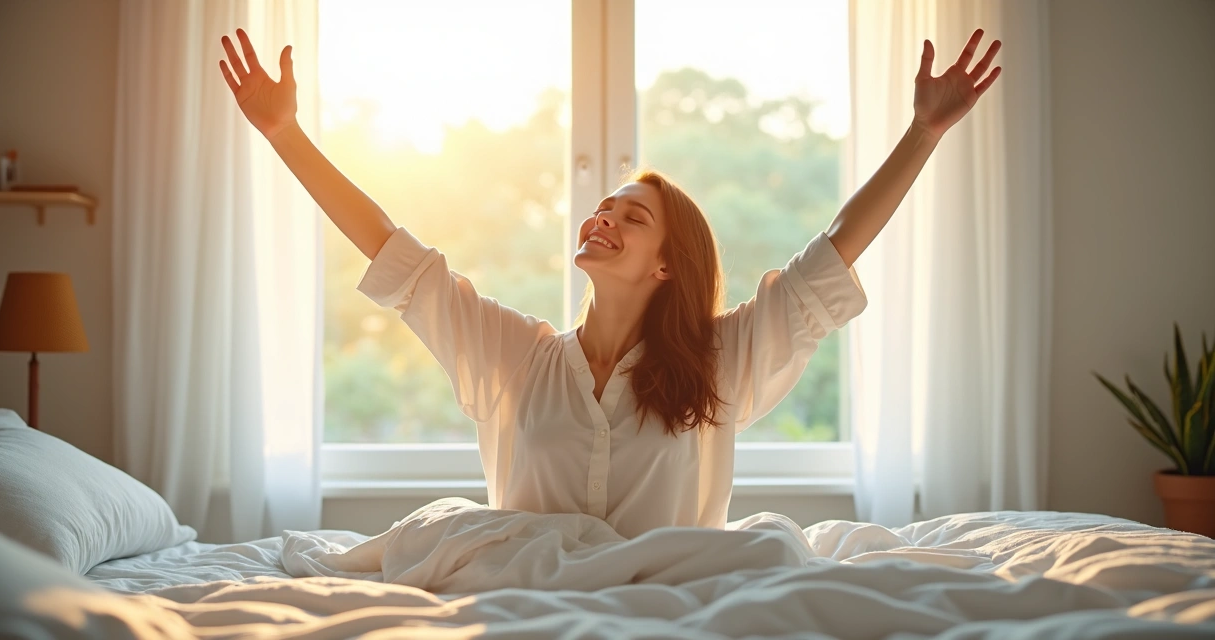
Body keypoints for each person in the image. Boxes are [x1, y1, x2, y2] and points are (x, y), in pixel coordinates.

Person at [219, 28, 1000, 539]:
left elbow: (829, 257)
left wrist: (922, 133)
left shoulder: (721, 359)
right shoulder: (516, 356)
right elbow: (396, 254)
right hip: (530, 604)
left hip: (670, 607)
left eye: (631, 216)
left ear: (667, 263)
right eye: (600, 208)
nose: (603, 219)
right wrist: (285, 133)